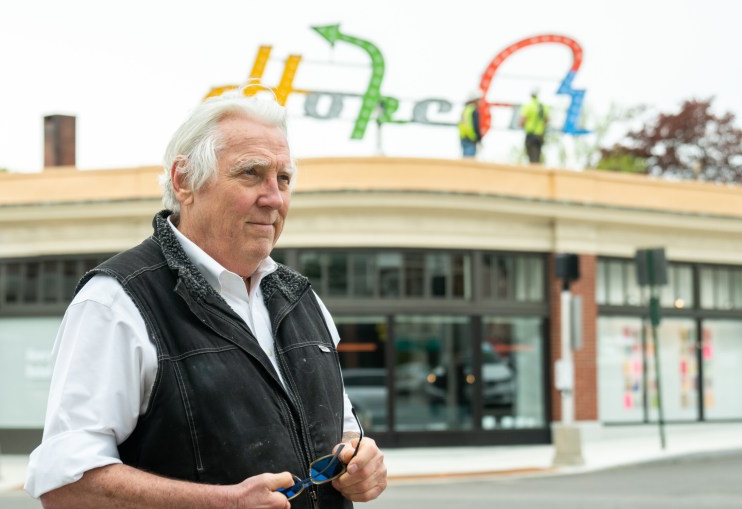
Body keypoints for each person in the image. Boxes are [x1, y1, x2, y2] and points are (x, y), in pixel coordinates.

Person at [24, 93, 388, 509]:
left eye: (283, 179)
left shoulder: (302, 298)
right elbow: (67, 484)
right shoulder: (115, 303)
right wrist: (222, 503)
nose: (274, 198)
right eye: (251, 174)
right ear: (184, 181)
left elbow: (341, 431)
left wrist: (360, 457)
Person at [519, 88, 550, 164]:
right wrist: (542, 128)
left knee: (532, 157)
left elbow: (523, 120)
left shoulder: (528, 106)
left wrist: (523, 125)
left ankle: (534, 173)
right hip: (540, 135)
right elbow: (547, 119)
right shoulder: (543, 106)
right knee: (537, 155)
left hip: (531, 134)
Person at [458, 90, 484, 158]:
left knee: (465, 158)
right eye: (478, 100)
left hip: (463, 137)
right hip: (471, 138)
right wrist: (478, 139)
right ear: (474, 100)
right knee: (469, 159)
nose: (480, 102)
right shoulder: (473, 110)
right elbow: (475, 126)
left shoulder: (466, 109)